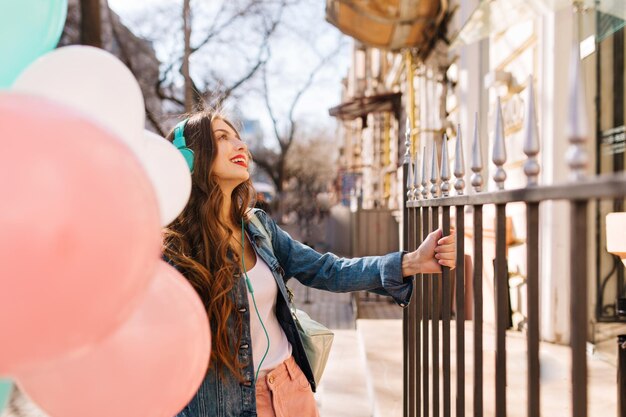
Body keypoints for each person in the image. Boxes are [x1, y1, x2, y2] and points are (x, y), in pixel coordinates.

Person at [163, 110, 456, 417]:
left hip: (291, 388)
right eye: (222, 137)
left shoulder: (258, 228)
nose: (240, 145)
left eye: (238, 136)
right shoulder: (175, 249)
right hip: (226, 403)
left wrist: (410, 262)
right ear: (190, 159)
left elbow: (326, 270)